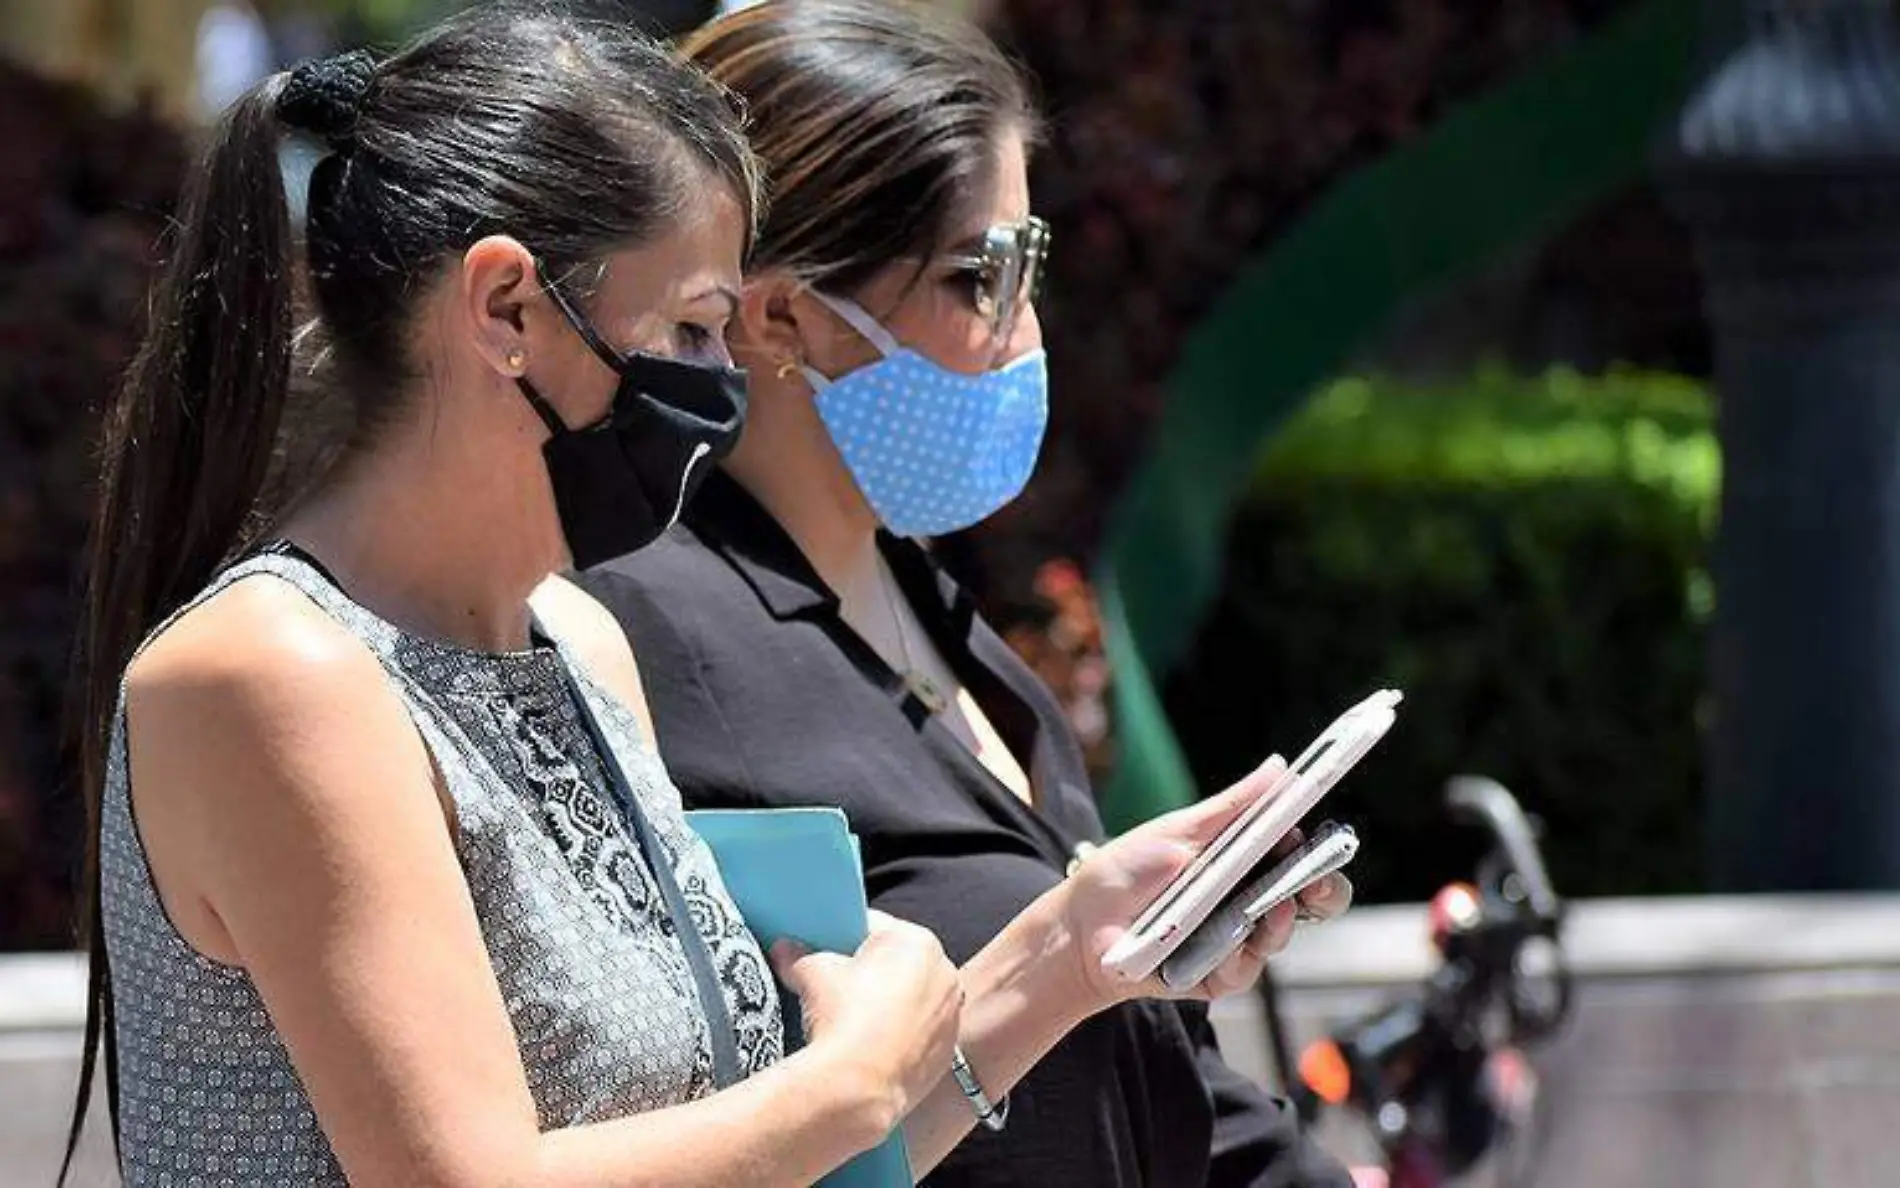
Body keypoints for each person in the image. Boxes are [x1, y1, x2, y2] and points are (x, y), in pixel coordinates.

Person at [65, 7, 1305, 1186]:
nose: (726, 385)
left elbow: (765, 1164)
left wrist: (1072, 952)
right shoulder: (274, 674)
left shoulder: (585, 645)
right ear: (505, 311)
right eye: (700, 325)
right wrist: (853, 1078)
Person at [577, 2, 1355, 1186]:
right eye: (979, 277)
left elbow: (1168, 1085)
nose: (1023, 330)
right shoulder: (648, 635)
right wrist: (1050, 961)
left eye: (1028, 261)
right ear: (780, 315)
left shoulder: (927, 602)